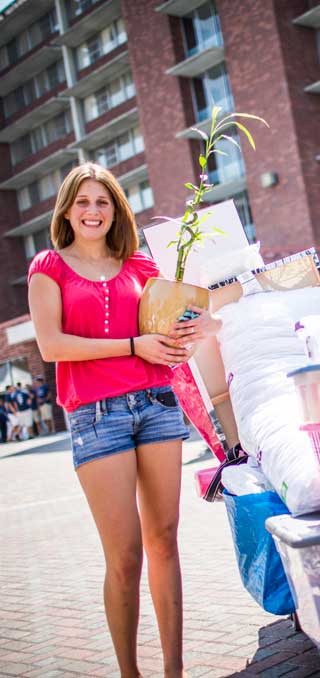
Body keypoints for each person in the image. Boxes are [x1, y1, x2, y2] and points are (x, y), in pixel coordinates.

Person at [27, 162, 221, 677]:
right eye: (83, 201)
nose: (93, 211)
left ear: (116, 210)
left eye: (103, 202)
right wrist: (135, 346)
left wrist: (198, 323)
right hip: (96, 416)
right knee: (127, 556)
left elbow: (170, 326)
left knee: (165, 540)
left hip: (156, 406)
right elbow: (51, 345)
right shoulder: (49, 266)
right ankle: (130, 673)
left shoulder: (139, 266)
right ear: (67, 208)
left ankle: (174, 671)